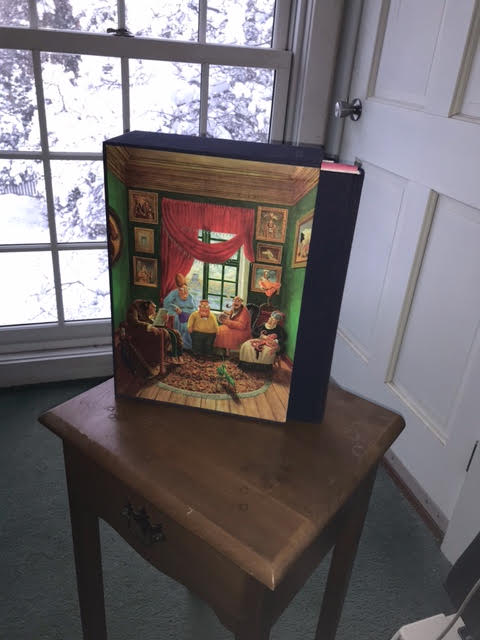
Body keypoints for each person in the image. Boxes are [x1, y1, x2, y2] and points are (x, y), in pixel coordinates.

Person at [125, 300, 179, 376]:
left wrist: (164, 320)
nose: (154, 311)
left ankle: (164, 359)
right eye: (153, 309)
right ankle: (155, 363)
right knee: (163, 333)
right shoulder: (134, 308)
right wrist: (149, 326)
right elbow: (134, 322)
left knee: (172, 333)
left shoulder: (147, 313)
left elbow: (155, 325)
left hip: (148, 330)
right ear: (147, 306)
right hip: (137, 332)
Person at [163, 273, 197, 350]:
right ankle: (179, 344)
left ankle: (186, 346)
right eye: (181, 290)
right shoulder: (174, 293)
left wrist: (187, 313)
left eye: (186, 290)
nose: (184, 292)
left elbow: (194, 309)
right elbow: (166, 303)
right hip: (178, 314)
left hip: (188, 315)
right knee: (178, 321)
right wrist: (175, 309)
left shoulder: (190, 296)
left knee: (188, 325)